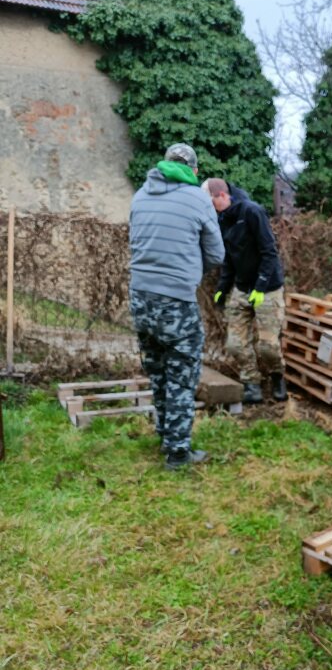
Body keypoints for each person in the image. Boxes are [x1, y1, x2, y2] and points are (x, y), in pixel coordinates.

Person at [128, 143, 224, 469]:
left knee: (157, 370)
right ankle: (178, 451)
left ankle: (165, 435)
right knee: (182, 374)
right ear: (193, 171)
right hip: (176, 300)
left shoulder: (140, 195)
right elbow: (216, 254)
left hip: (140, 297)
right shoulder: (197, 198)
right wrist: (190, 269)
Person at [203, 178, 287, 404]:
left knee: (268, 347)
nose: (209, 208)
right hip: (241, 288)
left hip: (267, 288)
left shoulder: (252, 212)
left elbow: (269, 252)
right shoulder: (222, 219)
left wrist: (260, 287)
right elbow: (229, 258)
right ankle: (251, 383)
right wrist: (222, 288)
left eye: (210, 202)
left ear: (222, 195)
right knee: (235, 344)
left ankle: (277, 377)